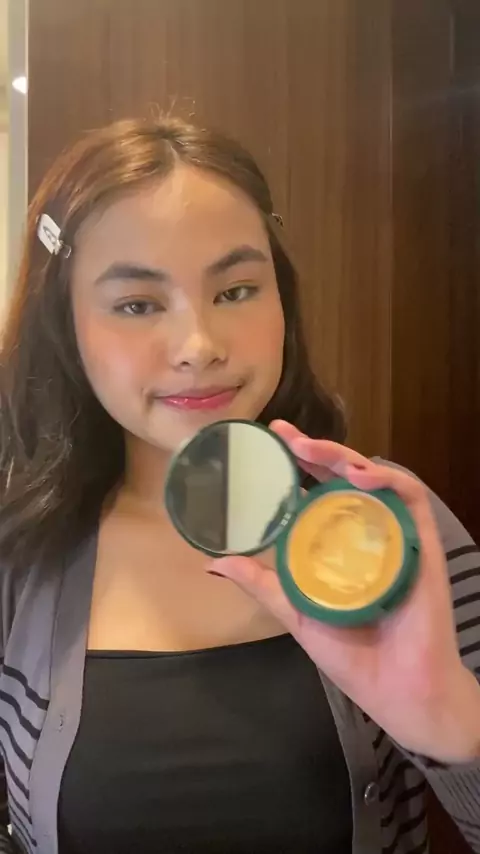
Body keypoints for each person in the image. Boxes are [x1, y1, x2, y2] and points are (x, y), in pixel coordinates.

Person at [0, 117, 479, 854]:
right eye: (137, 304)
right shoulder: (20, 555)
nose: (199, 346)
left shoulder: (387, 526)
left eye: (236, 290)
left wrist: (450, 719)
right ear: (67, 327)